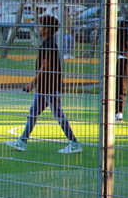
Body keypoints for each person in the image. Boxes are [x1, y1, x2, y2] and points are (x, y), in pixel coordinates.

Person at [6, 15, 82, 154]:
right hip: (44, 87)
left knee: (58, 114)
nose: (38, 28)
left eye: (41, 25)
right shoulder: (47, 43)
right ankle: (22, 141)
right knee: (33, 113)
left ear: (46, 29)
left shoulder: (49, 45)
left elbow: (45, 66)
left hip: (49, 87)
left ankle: (74, 142)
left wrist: (31, 83)